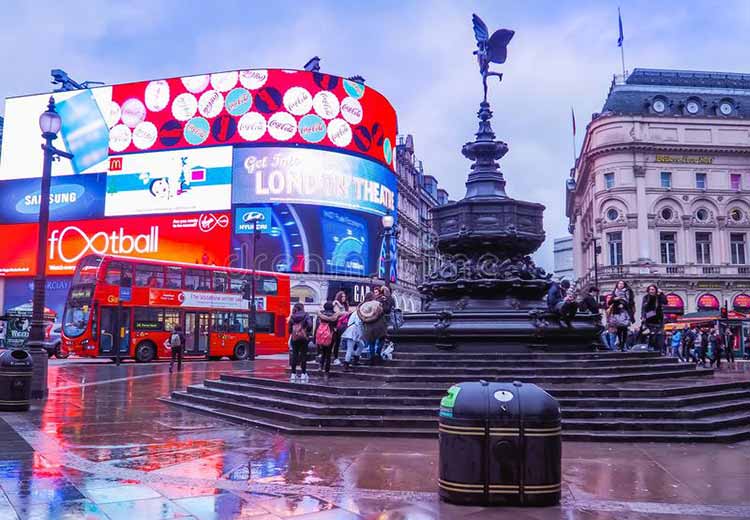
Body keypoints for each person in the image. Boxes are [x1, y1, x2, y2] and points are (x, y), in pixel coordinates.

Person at [314, 302, 340, 381]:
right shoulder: (335, 315)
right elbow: (336, 325)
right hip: (331, 336)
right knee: (328, 355)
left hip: (321, 335)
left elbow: (317, 325)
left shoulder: (321, 314)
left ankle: (320, 366)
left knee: (323, 352)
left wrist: (315, 336)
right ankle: (326, 372)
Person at [358, 293, 387, 365]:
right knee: (382, 339)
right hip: (379, 326)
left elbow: (361, 317)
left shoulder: (362, 307)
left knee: (371, 343)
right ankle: (378, 353)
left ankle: (372, 358)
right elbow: (382, 312)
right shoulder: (377, 304)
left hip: (369, 328)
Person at [288, 303, 313, 383]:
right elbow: (310, 325)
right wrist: (306, 331)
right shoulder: (306, 315)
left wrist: (293, 332)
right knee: (303, 355)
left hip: (294, 337)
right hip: (303, 337)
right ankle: (303, 373)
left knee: (294, 354)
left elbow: (289, 328)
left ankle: (293, 374)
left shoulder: (293, 316)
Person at [640, 284, 668, 354]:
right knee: (651, 333)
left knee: (659, 334)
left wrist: (661, 293)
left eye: (653, 289)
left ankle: (658, 349)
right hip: (649, 318)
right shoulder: (646, 297)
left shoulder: (658, 297)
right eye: (650, 290)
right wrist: (643, 316)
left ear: (655, 290)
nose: (651, 291)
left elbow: (665, 302)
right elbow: (643, 308)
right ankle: (651, 346)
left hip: (658, 318)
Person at [608, 281, 633, 350]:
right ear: (617, 285)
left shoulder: (627, 292)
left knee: (624, 329)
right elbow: (609, 302)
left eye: (622, 284)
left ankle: (623, 344)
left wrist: (624, 304)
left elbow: (630, 301)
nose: (621, 285)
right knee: (619, 329)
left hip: (625, 312)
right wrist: (614, 299)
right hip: (617, 313)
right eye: (619, 284)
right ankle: (620, 344)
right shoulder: (614, 293)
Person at [331, 291, 349, 366]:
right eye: (342, 296)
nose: (344, 298)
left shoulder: (345, 305)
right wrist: (345, 312)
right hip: (337, 325)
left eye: (344, 296)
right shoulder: (336, 304)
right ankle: (335, 358)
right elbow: (336, 314)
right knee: (336, 342)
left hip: (344, 324)